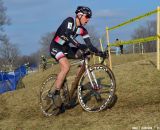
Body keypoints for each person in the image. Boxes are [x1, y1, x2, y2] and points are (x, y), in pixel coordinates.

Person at [49, 6, 106, 108]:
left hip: (66, 48)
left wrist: (99, 52)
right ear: (79, 15)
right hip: (56, 47)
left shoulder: (82, 30)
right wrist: (79, 46)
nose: (88, 19)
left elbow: (90, 45)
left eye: (89, 17)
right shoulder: (69, 21)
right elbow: (69, 36)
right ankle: (56, 93)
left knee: (87, 54)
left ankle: (76, 82)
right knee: (66, 67)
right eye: (87, 16)